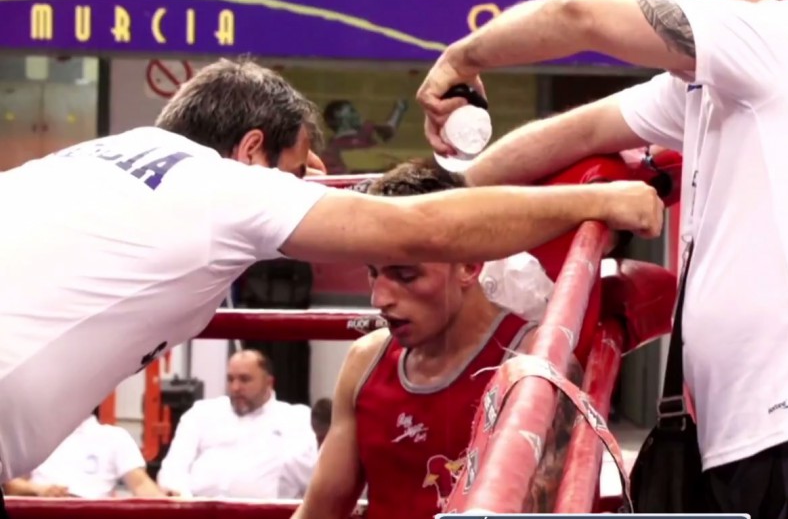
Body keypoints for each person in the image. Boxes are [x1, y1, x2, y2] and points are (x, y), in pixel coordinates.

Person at [0, 58, 664, 500]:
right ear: (253, 150)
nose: (312, 175)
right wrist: (592, 202)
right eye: (296, 166)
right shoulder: (226, 187)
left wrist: (289, 184)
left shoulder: (94, 156)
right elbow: (419, 227)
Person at [414, 0, 788, 517]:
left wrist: (460, 60)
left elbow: (579, 15)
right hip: (767, 432)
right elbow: (580, 132)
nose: (641, 6)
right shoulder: (716, 83)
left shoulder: (764, 36)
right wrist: (433, 199)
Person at [292, 160, 583, 519]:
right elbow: (319, 511)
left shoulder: (532, 363)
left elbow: (546, 508)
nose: (379, 299)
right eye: (373, 274)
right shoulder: (365, 361)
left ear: (468, 266)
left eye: (406, 275)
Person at [157, 350, 317, 499]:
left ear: (269, 382)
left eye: (245, 379)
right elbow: (173, 467)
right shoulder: (201, 413)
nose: (235, 387)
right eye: (230, 379)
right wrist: (184, 503)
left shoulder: (295, 419)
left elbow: (309, 479)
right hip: (198, 512)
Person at [3, 410, 164, 499]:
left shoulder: (114, 437)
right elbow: (11, 485)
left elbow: (141, 485)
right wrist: (40, 490)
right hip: (43, 511)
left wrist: (171, 504)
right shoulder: (34, 435)